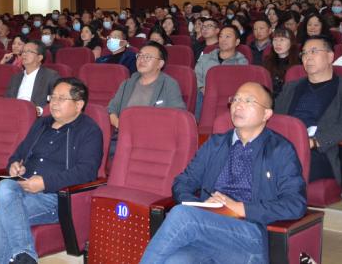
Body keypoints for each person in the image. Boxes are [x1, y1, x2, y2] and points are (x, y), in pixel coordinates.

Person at [139, 82, 306, 264]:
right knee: (175, 261)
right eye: (236, 99)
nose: (238, 105)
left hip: (250, 234)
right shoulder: (215, 144)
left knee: (182, 215)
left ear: (266, 114)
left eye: (248, 101)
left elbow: (295, 204)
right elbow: (183, 182)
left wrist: (239, 207)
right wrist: (200, 207)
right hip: (208, 229)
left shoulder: (280, 150)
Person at [0, 77, 103, 264]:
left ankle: (25, 255)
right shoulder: (42, 124)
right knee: (5, 186)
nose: (54, 103)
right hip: (23, 188)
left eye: (61, 98)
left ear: (79, 104)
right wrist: (14, 164)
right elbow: (18, 153)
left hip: (55, 199)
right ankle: (25, 255)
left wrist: (45, 183)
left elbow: (86, 172)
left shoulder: (89, 131)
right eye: (53, 97)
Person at [275, 35, 342, 182]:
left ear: (330, 57)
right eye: (304, 53)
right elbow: (276, 118)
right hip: (286, 145)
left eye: (314, 51)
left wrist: (314, 141)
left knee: (281, 167)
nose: (308, 57)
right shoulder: (291, 87)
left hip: (320, 151)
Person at [107, 42, 184, 154]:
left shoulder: (169, 85)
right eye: (140, 55)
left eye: (147, 57)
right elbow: (111, 109)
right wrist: (119, 124)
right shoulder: (127, 83)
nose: (142, 60)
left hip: (152, 141)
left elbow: (178, 115)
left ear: (160, 64)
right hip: (123, 137)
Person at [194, 25, 248, 119]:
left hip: (229, 98)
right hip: (204, 96)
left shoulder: (242, 62)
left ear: (237, 42)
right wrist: (202, 88)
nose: (223, 40)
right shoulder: (205, 58)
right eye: (221, 36)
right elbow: (196, 76)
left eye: (228, 36)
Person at [6, 40, 60, 115]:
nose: (24, 54)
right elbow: (7, 101)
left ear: (39, 57)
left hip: (36, 117)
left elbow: (57, 100)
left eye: (29, 51)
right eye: (23, 52)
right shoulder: (15, 78)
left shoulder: (50, 76)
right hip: (14, 114)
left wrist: (40, 111)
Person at [262, 27, 300, 98]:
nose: (278, 43)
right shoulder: (267, 61)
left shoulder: (299, 62)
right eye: (275, 40)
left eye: (282, 40)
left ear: (291, 42)